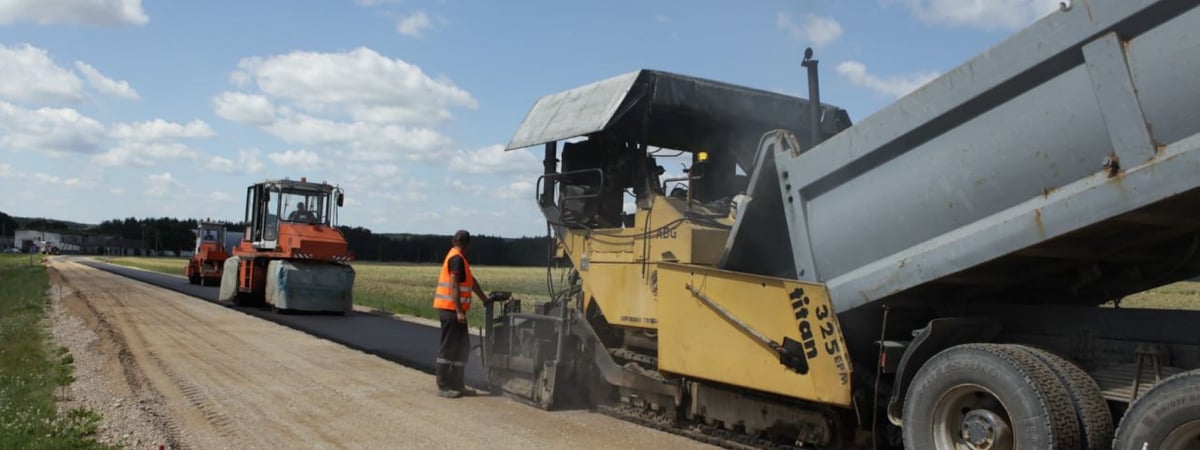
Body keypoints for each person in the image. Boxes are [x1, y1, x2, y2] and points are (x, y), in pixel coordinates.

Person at [433, 229, 489, 398]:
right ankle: (443, 386)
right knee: (449, 348)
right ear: (467, 244)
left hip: (454, 310)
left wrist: (485, 299)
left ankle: (457, 384)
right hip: (450, 310)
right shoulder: (456, 258)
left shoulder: (460, 258)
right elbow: (454, 285)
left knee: (462, 347)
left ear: (454, 241)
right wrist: (459, 311)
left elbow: (471, 282)